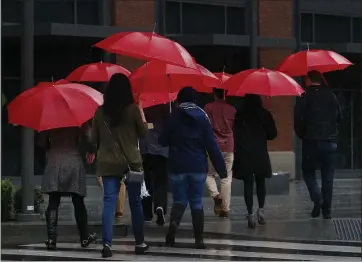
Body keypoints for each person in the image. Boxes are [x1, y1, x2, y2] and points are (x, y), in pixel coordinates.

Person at [88, 73, 149, 257]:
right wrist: (141, 110)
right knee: (135, 202)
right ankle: (140, 242)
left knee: (109, 202)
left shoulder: (100, 112)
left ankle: (107, 244)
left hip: (108, 162)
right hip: (131, 162)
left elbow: (93, 139)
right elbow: (144, 133)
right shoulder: (132, 110)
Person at [159, 87, 227, 249]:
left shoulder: (174, 115)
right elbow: (211, 145)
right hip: (197, 166)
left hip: (177, 166)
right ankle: (199, 239)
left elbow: (162, 140)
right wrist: (221, 169)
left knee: (180, 200)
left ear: (179, 100)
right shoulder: (203, 117)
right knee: (196, 201)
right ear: (195, 100)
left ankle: (174, 225)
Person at [294, 70, 342, 219]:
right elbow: (339, 116)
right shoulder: (331, 96)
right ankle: (326, 210)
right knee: (328, 176)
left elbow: (298, 120)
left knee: (308, 171)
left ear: (308, 80)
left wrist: (303, 135)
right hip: (329, 142)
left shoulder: (304, 97)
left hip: (311, 141)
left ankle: (317, 197)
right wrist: (333, 132)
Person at [40, 127, 97, 250]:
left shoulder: (49, 119)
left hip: (54, 161)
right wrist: (91, 150)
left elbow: (42, 143)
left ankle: (51, 239)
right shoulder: (76, 118)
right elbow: (88, 137)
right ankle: (85, 237)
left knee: (53, 201)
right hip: (73, 161)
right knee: (78, 201)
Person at [233, 94, 277, 229]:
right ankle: (261, 210)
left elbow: (236, 133)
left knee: (248, 183)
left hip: (245, 152)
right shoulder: (264, 114)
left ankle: (250, 213)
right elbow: (272, 134)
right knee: (260, 181)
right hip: (260, 152)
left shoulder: (240, 115)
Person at [204, 88, 236, 218]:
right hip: (229, 145)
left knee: (208, 174)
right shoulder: (232, 109)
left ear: (214, 94)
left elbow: (205, 125)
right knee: (226, 177)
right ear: (225, 94)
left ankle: (216, 195)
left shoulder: (208, 107)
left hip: (214, 145)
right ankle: (225, 208)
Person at [139, 105, 170, 225]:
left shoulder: (142, 105)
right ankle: (160, 205)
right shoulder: (165, 106)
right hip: (162, 151)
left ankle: (146, 213)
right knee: (161, 182)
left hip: (145, 149)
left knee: (146, 182)